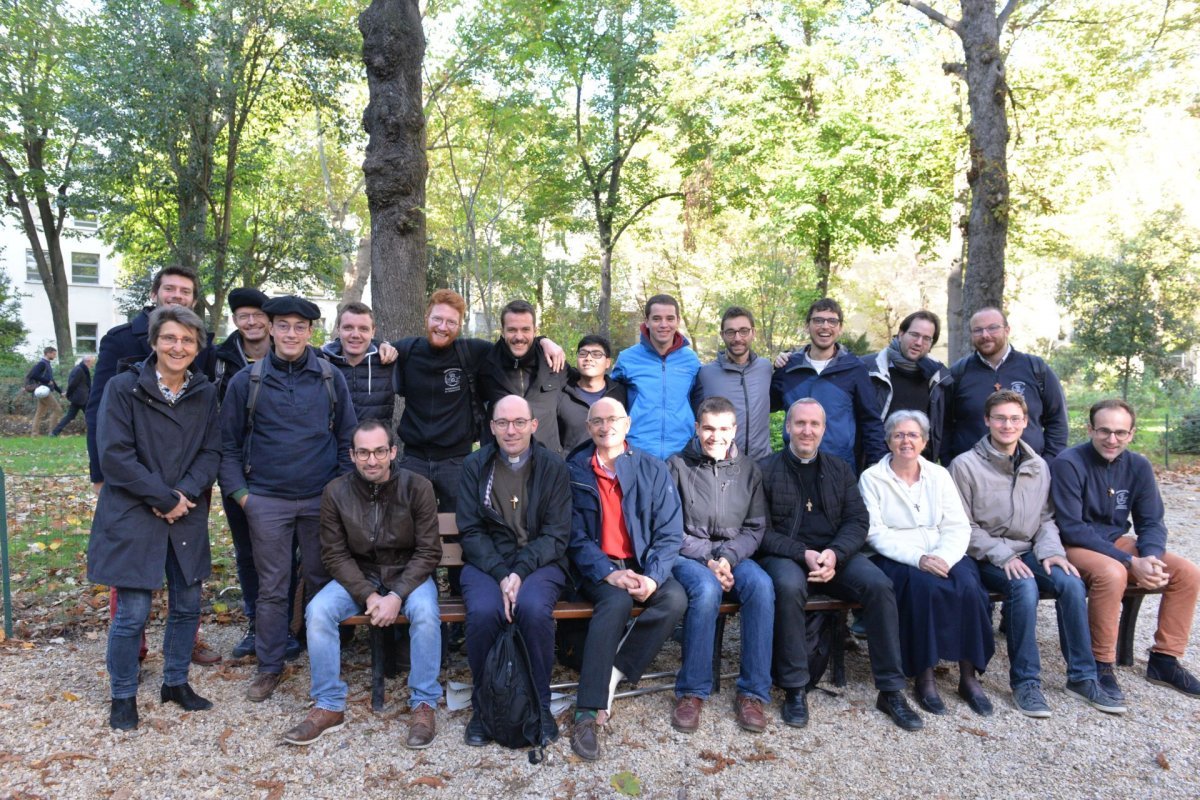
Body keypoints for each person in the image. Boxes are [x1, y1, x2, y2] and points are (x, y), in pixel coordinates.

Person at [949, 391, 1126, 716]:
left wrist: (1052, 552)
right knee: (1024, 586)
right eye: (1000, 418)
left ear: (1026, 422)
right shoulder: (965, 466)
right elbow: (964, 527)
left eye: (1015, 418)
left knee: (1071, 582)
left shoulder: (1037, 465)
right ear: (987, 420)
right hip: (986, 555)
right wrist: (1003, 555)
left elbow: (1046, 518)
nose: (1007, 424)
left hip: (1030, 550)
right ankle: (1026, 682)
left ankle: (1082, 677)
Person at [86, 306, 220, 730]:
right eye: (169, 338)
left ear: (197, 347)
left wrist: (182, 494)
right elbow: (114, 455)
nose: (177, 347)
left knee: (187, 604)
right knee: (132, 612)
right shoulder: (124, 387)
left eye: (186, 340)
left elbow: (211, 451)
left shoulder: (205, 392)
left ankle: (175, 681)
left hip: (186, 509)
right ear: (154, 342)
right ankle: (123, 694)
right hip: (134, 510)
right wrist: (163, 497)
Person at [219, 295, 358, 703]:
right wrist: (245, 498)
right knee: (273, 587)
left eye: (300, 327)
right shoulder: (248, 381)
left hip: (320, 500)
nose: (292, 334)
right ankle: (269, 666)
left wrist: (336, 491)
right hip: (267, 501)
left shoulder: (331, 378)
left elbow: (347, 439)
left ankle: (323, 661)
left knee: (320, 582)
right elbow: (226, 447)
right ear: (271, 328)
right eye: (284, 326)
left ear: (311, 331)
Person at [758, 398, 923, 731]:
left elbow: (857, 520)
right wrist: (802, 552)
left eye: (814, 424)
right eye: (800, 423)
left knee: (879, 586)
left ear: (824, 430)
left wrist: (835, 552)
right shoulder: (764, 469)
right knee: (789, 587)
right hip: (787, 556)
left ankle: (890, 689)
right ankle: (794, 688)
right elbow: (759, 531)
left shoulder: (839, 469)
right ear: (787, 427)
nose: (807, 430)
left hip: (835, 556)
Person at [282, 421, 443, 747]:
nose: (373, 460)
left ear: (392, 452)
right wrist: (368, 595)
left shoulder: (418, 487)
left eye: (380, 451)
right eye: (364, 453)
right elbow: (335, 554)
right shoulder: (336, 492)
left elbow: (429, 552)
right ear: (353, 455)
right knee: (318, 610)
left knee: (426, 612)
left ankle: (424, 703)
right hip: (360, 574)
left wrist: (397, 594)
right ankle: (328, 705)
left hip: (407, 574)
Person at [1051, 398, 1200, 700]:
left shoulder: (1139, 465)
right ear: (1090, 429)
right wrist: (1130, 563)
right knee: (1112, 572)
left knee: (1186, 572)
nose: (1112, 439)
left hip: (1116, 542)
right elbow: (1071, 526)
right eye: (1104, 431)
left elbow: (1151, 521)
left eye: (1121, 432)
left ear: (1132, 434)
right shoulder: (1068, 463)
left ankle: (1164, 660)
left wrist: (1151, 559)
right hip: (1074, 544)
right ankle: (1101, 663)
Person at [565, 396, 687, 761]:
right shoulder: (573, 471)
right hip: (595, 567)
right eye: (597, 421)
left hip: (641, 563)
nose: (606, 426)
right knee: (615, 601)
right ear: (589, 428)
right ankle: (587, 711)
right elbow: (573, 536)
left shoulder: (652, 468)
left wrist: (652, 577)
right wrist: (608, 572)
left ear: (627, 424)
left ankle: (614, 671)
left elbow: (669, 532)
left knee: (674, 598)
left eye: (613, 419)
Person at [859, 410, 995, 716]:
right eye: (899, 435)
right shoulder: (872, 478)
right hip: (897, 555)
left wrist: (944, 558)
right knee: (921, 588)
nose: (906, 441)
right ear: (889, 440)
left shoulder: (939, 474)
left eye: (913, 435)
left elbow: (958, 525)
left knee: (969, 585)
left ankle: (969, 676)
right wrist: (918, 559)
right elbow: (875, 533)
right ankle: (925, 675)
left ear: (924, 441)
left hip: (943, 549)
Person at [457, 395, 571, 747]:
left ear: (533, 425)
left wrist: (519, 572)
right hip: (487, 563)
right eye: (502, 423)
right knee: (484, 611)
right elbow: (471, 531)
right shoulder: (475, 466)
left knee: (534, 610)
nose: (511, 430)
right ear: (491, 428)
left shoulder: (552, 466)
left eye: (519, 422)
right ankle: (484, 708)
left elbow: (556, 534)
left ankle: (540, 706)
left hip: (539, 563)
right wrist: (501, 573)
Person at [390, 289, 563, 513]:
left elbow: (514, 345)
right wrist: (384, 346)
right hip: (414, 459)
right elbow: (373, 347)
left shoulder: (471, 351)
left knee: (461, 528)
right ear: (426, 318)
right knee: (407, 525)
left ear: (460, 324)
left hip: (456, 462)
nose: (443, 327)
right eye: (437, 319)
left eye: (451, 322)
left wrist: (543, 341)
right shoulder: (407, 350)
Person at [668, 397, 774, 734]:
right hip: (689, 555)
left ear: (735, 430)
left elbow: (755, 527)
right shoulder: (676, 466)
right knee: (706, 588)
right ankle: (692, 691)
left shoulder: (749, 470)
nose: (716, 435)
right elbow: (670, 528)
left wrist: (727, 558)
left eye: (724, 428)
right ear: (697, 428)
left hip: (734, 554)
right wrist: (709, 559)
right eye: (709, 428)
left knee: (761, 586)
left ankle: (753, 692)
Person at [212, 286, 276, 660]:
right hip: (238, 472)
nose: (251, 322)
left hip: (284, 475)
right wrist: (235, 485)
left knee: (290, 555)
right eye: (243, 316)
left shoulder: (296, 355)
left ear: (269, 320)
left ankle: (286, 623)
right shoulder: (219, 361)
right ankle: (256, 621)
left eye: (257, 315)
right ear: (235, 321)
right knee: (248, 553)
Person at [771, 298, 886, 470]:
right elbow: (768, 405)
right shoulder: (788, 368)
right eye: (818, 320)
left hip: (839, 467)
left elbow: (870, 420)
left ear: (840, 328)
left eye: (832, 321)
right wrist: (773, 367)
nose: (825, 326)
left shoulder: (854, 369)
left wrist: (877, 464)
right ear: (807, 326)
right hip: (793, 467)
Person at [943, 307, 1069, 462]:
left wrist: (1048, 464)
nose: (985, 335)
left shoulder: (1036, 369)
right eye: (978, 330)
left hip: (1029, 471)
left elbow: (1058, 421)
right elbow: (944, 425)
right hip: (973, 476)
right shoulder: (958, 373)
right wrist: (951, 464)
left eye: (993, 328)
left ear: (1007, 330)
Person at [611, 294, 702, 460]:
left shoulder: (691, 360)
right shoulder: (627, 359)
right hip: (638, 451)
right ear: (646, 321)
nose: (663, 325)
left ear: (678, 320)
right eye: (657, 318)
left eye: (669, 318)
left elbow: (699, 401)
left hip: (682, 453)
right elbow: (612, 403)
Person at [477, 299, 568, 454]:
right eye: (512, 330)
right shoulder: (486, 364)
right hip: (499, 462)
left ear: (535, 330)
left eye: (525, 329)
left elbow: (585, 388)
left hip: (547, 462)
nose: (519, 337)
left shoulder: (554, 362)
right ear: (502, 331)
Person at [863, 310, 951, 461]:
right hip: (873, 464)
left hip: (917, 468)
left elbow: (941, 427)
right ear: (901, 333)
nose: (918, 343)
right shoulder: (868, 368)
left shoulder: (938, 377)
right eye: (914, 335)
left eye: (926, 338)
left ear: (931, 344)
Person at [697, 307, 772, 461]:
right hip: (723, 463)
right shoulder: (706, 374)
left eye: (744, 331)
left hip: (762, 462)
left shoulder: (766, 368)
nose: (737, 338)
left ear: (753, 332)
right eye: (731, 332)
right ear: (722, 335)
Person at [322, 301, 396, 422]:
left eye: (363, 329)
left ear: (373, 332)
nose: (355, 334)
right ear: (338, 329)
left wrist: (383, 344)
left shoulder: (388, 361)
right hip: (335, 441)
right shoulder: (322, 364)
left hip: (376, 440)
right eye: (348, 327)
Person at [558, 335, 627, 454]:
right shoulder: (563, 393)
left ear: (607, 363)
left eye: (596, 354)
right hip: (571, 468)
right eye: (583, 353)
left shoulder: (620, 393)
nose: (588, 358)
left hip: (612, 467)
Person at [51, 355, 93, 436]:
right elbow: (72, 384)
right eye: (91, 363)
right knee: (91, 415)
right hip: (81, 398)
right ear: (87, 361)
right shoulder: (79, 370)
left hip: (80, 398)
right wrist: (68, 394)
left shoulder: (81, 369)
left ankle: (55, 432)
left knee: (70, 416)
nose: (92, 365)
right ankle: (95, 433)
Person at [26, 346, 62, 435]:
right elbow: (34, 375)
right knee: (57, 410)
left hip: (43, 391)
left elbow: (51, 381)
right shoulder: (42, 364)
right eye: (53, 354)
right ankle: (53, 433)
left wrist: (60, 391)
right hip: (43, 391)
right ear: (48, 353)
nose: (55, 356)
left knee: (39, 413)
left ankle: (34, 434)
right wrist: (46, 381)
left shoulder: (47, 364)